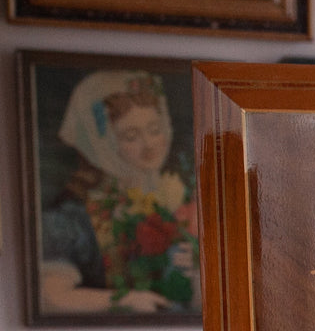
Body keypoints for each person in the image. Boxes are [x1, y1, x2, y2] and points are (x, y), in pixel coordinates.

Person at [39, 70, 198, 314]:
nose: (149, 144)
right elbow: (50, 298)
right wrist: (125, 300)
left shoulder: (186, 201)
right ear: (104, 146)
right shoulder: (71, 219)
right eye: (131, 136)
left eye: (155, 129)